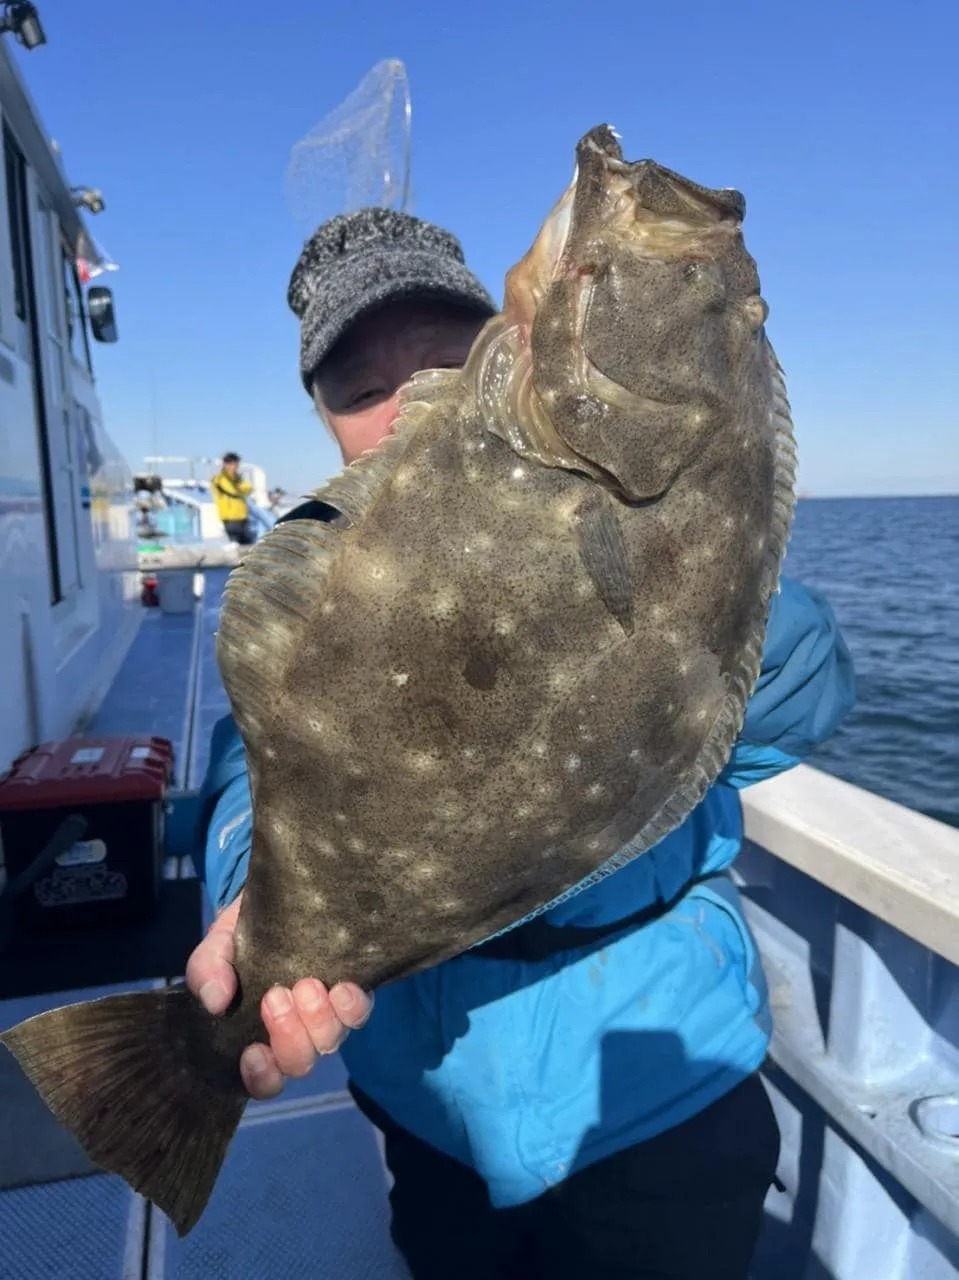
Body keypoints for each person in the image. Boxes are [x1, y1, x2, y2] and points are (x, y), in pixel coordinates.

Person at [190, 209, 856, 1279]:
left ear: (513, 345)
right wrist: (246, 893)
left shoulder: (622, 500)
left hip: (654, 1077)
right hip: (429, 1099)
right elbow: (250, 763)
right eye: (360, 386)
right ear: (322, 417)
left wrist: (716, 615)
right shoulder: (320, 576)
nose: (405, 401)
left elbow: (799, 696)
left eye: (443, 357)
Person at [211, 451, 254, 544]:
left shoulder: (237, 478)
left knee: (248, 545)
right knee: (235, 545)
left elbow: (249, 488)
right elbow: (232, 491)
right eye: (234, 464)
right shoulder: (219, 478)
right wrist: (241, 490)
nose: (236, 466)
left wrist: (241, 489)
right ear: (226, 464)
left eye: (237, 464)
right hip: (230, 518)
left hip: (242, 516)